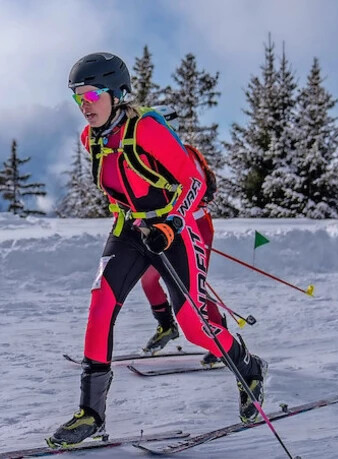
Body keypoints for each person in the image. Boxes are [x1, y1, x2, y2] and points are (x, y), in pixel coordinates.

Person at [47, 52, 267, 448]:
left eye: (92, 94)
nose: (84, 105)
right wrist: (129, 219)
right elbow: (120, 189)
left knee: (194, 327)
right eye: (77, 96)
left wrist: (170, 223)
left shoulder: (146, 129)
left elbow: (194, 184)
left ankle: (248, 367)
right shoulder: (91, 139)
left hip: (172, 231)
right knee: (100, 306)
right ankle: (91, 413)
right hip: (130, 231)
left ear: (116, 93)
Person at [137, 111, 226, 368]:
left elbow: (197, 190)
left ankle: (221, 339)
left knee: (192, 288)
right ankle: (167, 326)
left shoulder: (184, 153)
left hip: (196, 225)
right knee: (149, 279)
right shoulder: (150, 157)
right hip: (168, 230)